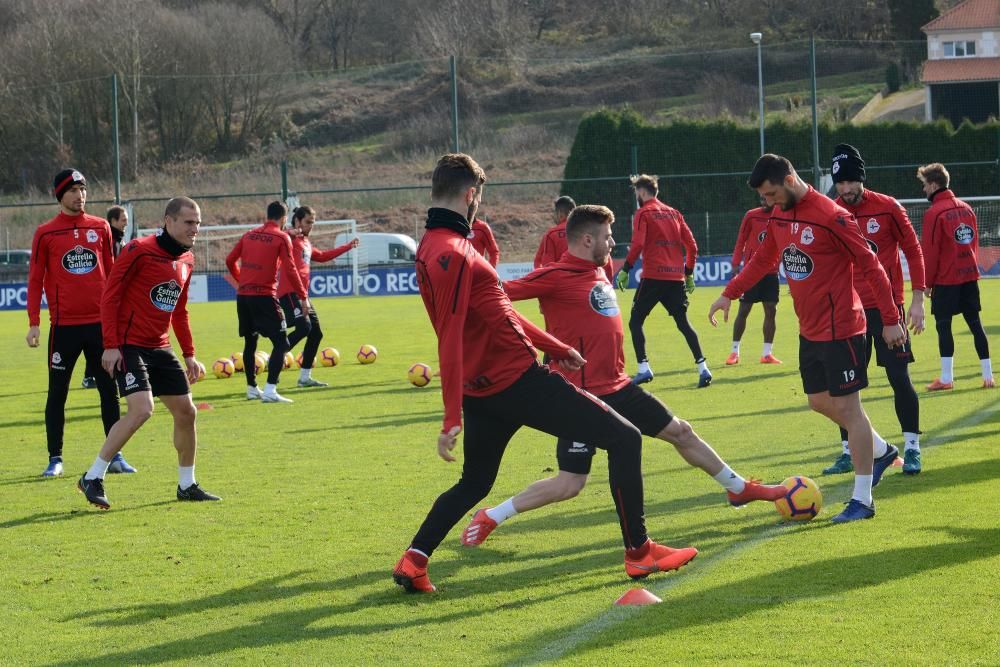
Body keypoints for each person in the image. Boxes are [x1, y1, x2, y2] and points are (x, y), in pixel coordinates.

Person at [392, 154, 697, 594]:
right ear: (471, 194)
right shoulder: (456, 252)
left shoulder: (432, 247)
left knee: (475, 481)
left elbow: (499, 311)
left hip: (486, 389)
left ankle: (414, 560)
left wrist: (556, 347)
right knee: (625, 437)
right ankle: (639, 553)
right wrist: (449, 418)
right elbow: (450, 334)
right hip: (517, 382)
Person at [460, 205, 786, 547]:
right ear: (588, 239)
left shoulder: (600, 270)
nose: (614, 242)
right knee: (571, 483)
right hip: (582, 395)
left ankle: (738, 489)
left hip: (619, 385)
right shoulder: (554, 275)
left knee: (681, 432)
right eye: (607, 236)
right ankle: (491, 516)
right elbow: (494, 297)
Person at [709, 154, 907, 523]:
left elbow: (871, 265)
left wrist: (892, 319)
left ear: (789, 179)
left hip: (843, 328)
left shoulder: (833, 216)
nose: (767, 202)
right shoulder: (779, 216)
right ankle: (880, 450)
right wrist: (729, 293)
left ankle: (862, 499)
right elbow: (763, 259)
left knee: (850, 410)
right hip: (809, 330)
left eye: (770, 193)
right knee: (819, 402)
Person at [77, 196, 219, 509]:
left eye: (197, 223)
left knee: (187, 412)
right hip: (128, 343)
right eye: (188, 222)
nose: (194, 228)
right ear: (168, 221)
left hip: (159, 345)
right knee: (142, 409)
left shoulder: (187, 260)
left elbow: (179, 311)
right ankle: (93, 476)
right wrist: (111, 345)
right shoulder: (138, 250)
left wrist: (190, 354)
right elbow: (110, 297)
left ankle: (187, 484)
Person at [822, 144, 927, 477]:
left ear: (861, 178)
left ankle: (912, 448)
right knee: (845, 387)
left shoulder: (888, 208)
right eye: (840, 183)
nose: (845, 189)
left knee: (899, 377)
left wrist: (917, 300)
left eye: (850, 181)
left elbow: (913, 251)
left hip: (887, 310)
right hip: (848, 313)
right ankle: (848, 452)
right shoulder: (830, 212)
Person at [25, 169, 131, 478]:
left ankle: (115, 455)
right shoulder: (45, 233)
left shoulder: (101, 227)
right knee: (57, 393)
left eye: (82, 189)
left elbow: (113, 278)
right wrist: (34, 322)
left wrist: (119, 318)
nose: (79, 195)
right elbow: (34, 281)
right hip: (63, 327)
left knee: (108, 391)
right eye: (72, 190)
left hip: (100, 326)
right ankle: (55, 458)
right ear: (60, 195)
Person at [615, 174, 711, 388]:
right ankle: (703, 369)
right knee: (683, 323)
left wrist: (626, 269)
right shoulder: (674, 213)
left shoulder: (643, 212)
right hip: (675, 278)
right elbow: (692, 246)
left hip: (652, 278)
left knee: (635, 321)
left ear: (641, 192)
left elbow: (638, 243)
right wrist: (688, 274)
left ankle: (643, 368)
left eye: (636, 193)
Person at [918, 163, 994, 390]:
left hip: (946, 280)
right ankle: (988, 376)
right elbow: (974, 242)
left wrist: (927, 284)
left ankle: (947, 378)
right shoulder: (967, 208)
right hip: (969, 277)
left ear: (933, 184)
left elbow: (930, 253)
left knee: (944, 326)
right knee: (976, 324)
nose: (923, 190)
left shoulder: (934, 213)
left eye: (924, 185)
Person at [226, 200, 307, 403]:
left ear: (267, 214)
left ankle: (252, 388)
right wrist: (303, 297)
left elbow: (229, 260)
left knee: (250, 343)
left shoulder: (249, 234)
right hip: (264, 297)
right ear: (284, 218)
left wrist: (241, 280)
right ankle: (270, 390)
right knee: (282, 342)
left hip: (243, 296)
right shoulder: (281, 238)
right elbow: (290, 269)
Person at [278, 205, 359, 387]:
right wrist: (291, 231)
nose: (311, 226)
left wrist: (347, 246)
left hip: (302, 295)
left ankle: (304, 378)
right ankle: (277, 354)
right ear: (297, 221)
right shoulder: (288, 239)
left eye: (313, 223)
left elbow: (322, 256)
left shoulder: (305, 243)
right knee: (303, 327)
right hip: (289, 292)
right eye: (307, 222)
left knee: (316, 333)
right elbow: (280, 234)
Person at [726, 199, 782, 366]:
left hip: (771, 273)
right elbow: (741, 240)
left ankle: (767, 353)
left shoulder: (781, 216)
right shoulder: (751, 216)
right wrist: (736, 264)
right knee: (743, 309)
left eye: (767, 198)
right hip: (751, 272)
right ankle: (734, 352)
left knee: (771, 310)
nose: (764, 201)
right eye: (762, 198)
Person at [82, 205, 130, 391]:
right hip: (109, 298)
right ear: (113, 221)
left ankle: (110, 373)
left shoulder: (120, 240)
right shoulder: (111, 241)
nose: (126, 222)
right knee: (102, 339)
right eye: (123, 219)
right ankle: (89, 376)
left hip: (117, 296)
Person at [533, 195, 576, 269]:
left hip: (560, 279)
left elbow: (544, 265)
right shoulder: (586, 232)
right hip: (585, 278)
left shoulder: (551, 234)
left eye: (554, 213)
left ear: (560, 214)